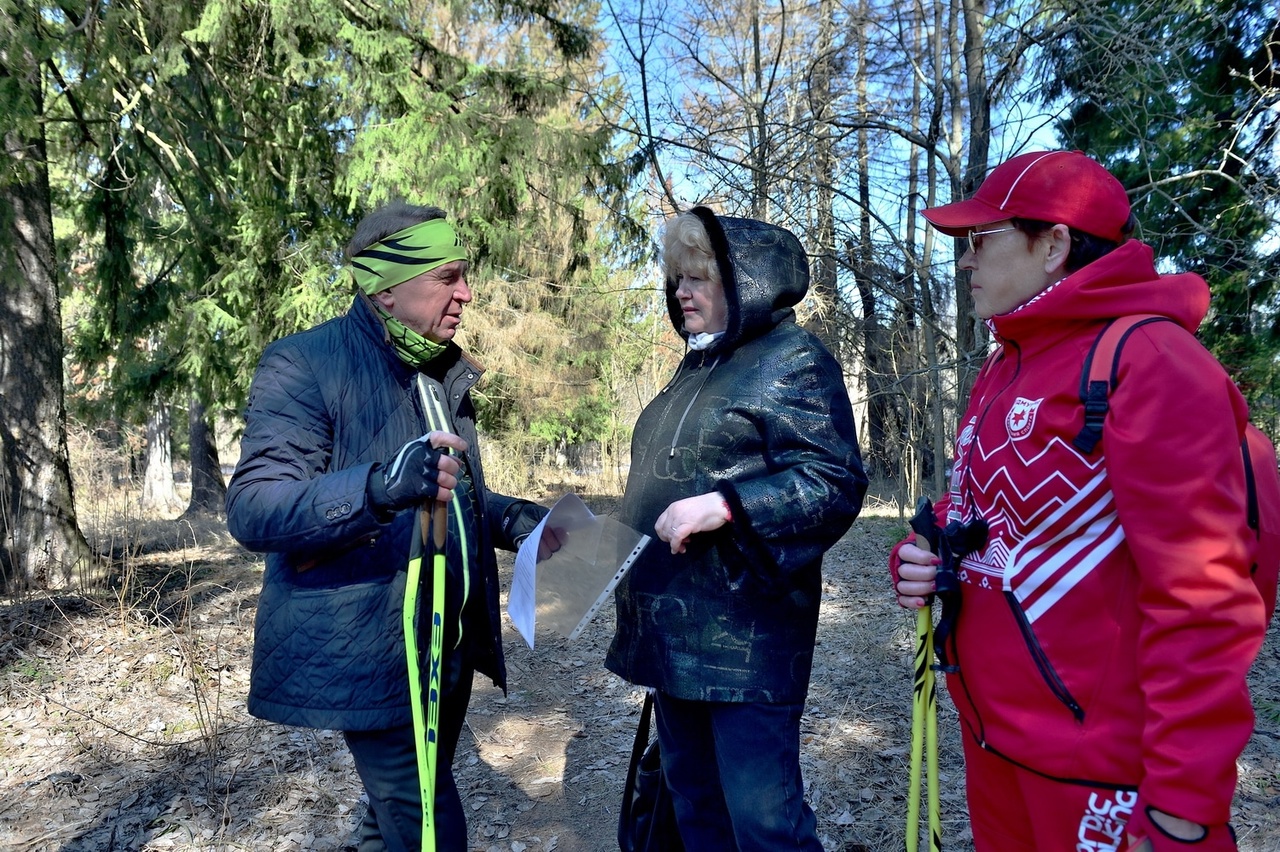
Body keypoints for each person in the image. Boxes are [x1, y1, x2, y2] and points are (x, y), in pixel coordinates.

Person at [891, 150, 1267, 851]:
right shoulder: (1007, 364)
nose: (966, 263)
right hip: (997, 749)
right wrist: (925, 551)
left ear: (1054, 244)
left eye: (981, 240)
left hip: (1106, 781)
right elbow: (994, 511)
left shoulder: (1153, 362)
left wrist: (1182, 808)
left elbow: (1207, 601)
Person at [226, 202, 549, 852]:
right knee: (428, 823)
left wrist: (513, 517)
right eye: (449, 276)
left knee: (396, 810)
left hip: (446, 647)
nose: (467, 293)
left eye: (465, 276)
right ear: (386, 288)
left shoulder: (433, 368)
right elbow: (255, 507)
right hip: (376, 652)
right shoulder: (304, 363)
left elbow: (441, 488)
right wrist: (377, 486)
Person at [606, 206, 868, 851]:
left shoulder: (795, 359)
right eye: (677, 279)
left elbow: (833, 481)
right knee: (694, 805)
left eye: (698, 278)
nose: (681, 292)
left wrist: (726, 504)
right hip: (672, 633)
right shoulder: (694, 369)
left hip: (748, 638)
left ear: (746, 281)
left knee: (765, 823)